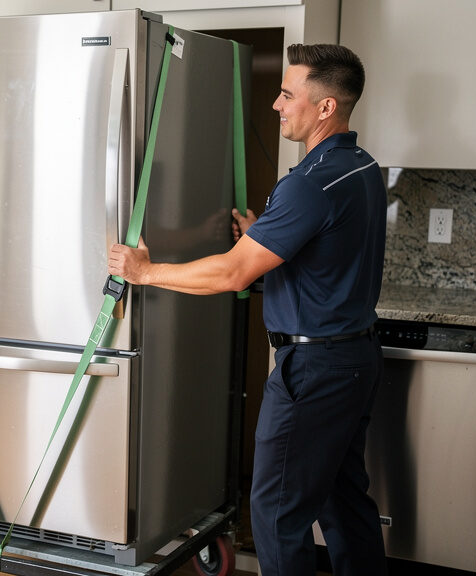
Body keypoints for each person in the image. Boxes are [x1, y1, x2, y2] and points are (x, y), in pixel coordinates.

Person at [108, 43, 388, 576]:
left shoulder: (308, 185)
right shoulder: (362, 169)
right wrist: (268, 234)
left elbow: (232, 273)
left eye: (287, 93)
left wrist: (145, 273)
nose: (277, 105)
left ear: (326, 107)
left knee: (278, 513)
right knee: (344, 502)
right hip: (354, 361)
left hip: (313, 372)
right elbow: (325, 262)